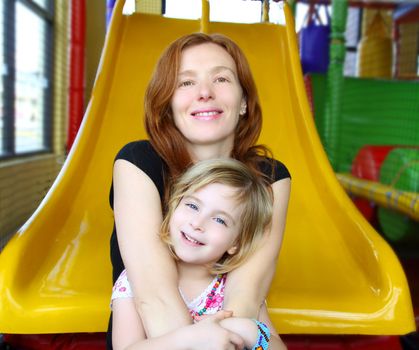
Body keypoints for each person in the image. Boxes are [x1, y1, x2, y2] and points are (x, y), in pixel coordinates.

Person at [107, 32, 291, 349]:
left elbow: (244, 302)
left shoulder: (268, 179)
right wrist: (197, 340)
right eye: (186, 82)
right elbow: (155, 298)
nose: (205, 92)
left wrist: (234, 335)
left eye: (221, 79)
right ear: (168, 103)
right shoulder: (137, 162)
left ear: (244, 101)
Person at [111, 158, 287, 350]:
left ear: (236, 243)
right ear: (174, 206)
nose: (198, 223)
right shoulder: (133, 282)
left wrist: (248, 328)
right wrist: (189, 338)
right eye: (193, 206)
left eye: (220, 220)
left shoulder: (230, 287)